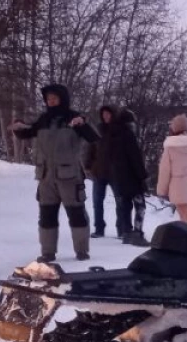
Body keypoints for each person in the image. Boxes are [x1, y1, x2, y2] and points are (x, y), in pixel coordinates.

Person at [10, 84, 100, 262]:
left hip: (70, 176)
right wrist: (18, 127)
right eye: (48, 99)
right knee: (46, 215)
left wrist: (82, 124)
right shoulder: (43, 119)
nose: (50, 101)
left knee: (76, 213)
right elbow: (27, 133)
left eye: (54, 98)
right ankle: (48, 252)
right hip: (46, 176)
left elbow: (93, 138)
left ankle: (82, 251)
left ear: (62, 99)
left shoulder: (74, 117)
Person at [108, 108, 150, 246]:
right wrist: (142, 177)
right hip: (132, 178)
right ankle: (137, 233)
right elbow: (135, 158)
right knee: (140, 205)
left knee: (125, 206)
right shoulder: (128, 136)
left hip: (118, 177)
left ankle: (126, 232)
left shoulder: (112, 135)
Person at [85, 105, 117, 238]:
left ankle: (122, 229)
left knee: (120, 202)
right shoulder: (97, 129)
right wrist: (87, 165)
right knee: (97, 202)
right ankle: (99, 228)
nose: (106, 116)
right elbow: (90, 148)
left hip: (116, 172)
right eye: (104, 114)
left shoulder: (119, 130)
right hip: (99, 171)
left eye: (108, 114)